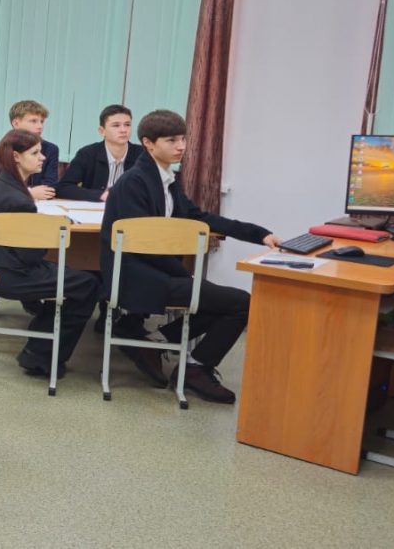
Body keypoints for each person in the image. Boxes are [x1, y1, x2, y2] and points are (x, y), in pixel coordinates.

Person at [101, 109, 281, 404]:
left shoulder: (166, 179)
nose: (181, 146)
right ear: (148, 143)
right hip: (134, 276)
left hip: (155, 271)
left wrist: (258, 234)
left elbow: (199, 217)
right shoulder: (135, 182)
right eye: (171, 140)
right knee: (240, 303)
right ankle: (195, 369)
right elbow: (142, 243)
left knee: (220, 301)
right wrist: (185, 275)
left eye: (183, 139)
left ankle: (154, 342)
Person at [0, 129, 99, 376]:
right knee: (89, 284)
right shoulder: (21, 200)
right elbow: (30, 256)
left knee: (72, 280)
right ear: (16, 157)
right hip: (13, 276)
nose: (43, 158)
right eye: (36, 153)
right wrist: (47, 233)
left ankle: (38, 345)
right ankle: (42, 355)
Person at [57, 104, 143, 202]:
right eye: (116, 125)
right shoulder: (87, 154)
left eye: (127, 125)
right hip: (94, 208)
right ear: (102, 131)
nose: (123, 130)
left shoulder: (142, 155)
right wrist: (101, 195)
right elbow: (63, 188)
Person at [0, 99, 59, 195]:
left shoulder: (50, 149)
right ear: (16, 123)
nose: (40, 126)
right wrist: (29, 192)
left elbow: (50, 188)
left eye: (42, 121)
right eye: (33, 121)